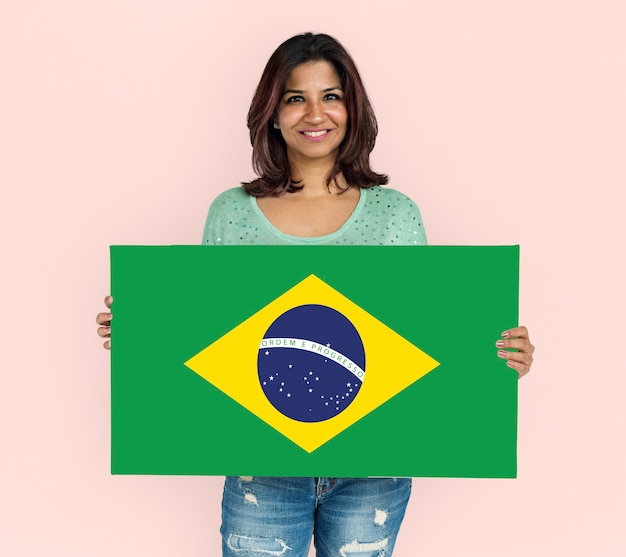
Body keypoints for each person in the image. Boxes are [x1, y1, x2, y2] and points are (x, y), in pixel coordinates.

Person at [96, 32, 534, 557]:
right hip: (263, 464)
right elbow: (206, 327)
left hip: (375, 466)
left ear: (353, 108)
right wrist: (147, 332)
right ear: (272, 112)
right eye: (295, 97)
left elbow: (427, 333)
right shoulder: (231, 213)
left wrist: (498, 355)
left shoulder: (396, 214)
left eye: (331, 95)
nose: (314, 113)